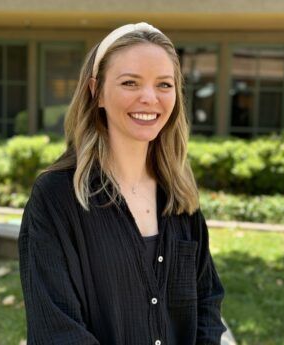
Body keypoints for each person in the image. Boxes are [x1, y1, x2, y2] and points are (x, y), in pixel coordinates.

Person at [18, 22, 226, 345]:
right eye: (130, 82)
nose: (149, 98)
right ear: (96, 91)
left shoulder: (180, 198)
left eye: (164, 85)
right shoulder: (55, 198)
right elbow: (56, 331)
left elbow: (207, 306)